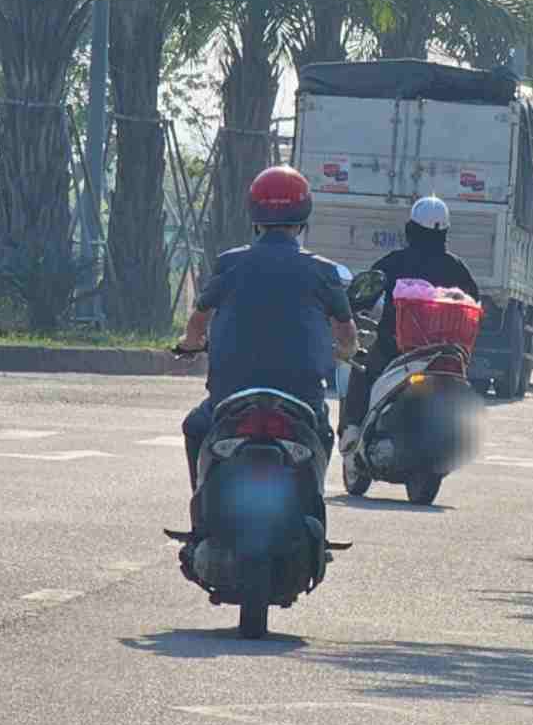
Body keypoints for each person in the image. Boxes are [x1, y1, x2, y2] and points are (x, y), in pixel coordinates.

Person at [175, 165, 357, 534]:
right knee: (322, 435)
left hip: (231, 396)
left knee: (196, 427)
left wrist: (189, 346)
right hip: (301, 398)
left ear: (254, 215)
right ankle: (312, 507)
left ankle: (201, 514)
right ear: (304, 216)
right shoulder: (323, 271)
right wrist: (347, 352)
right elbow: (347, 331)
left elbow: (198, 322)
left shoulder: (231, 263)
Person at [340, 195, 480, 484]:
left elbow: (366, 289)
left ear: (411, 228)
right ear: (444, 232)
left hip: (396, 350)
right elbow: (474, 303)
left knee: (362, 367)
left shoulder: (395, 262)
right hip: (445, 357)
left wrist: (351, 306)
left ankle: (353, 431)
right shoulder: (457, 268)